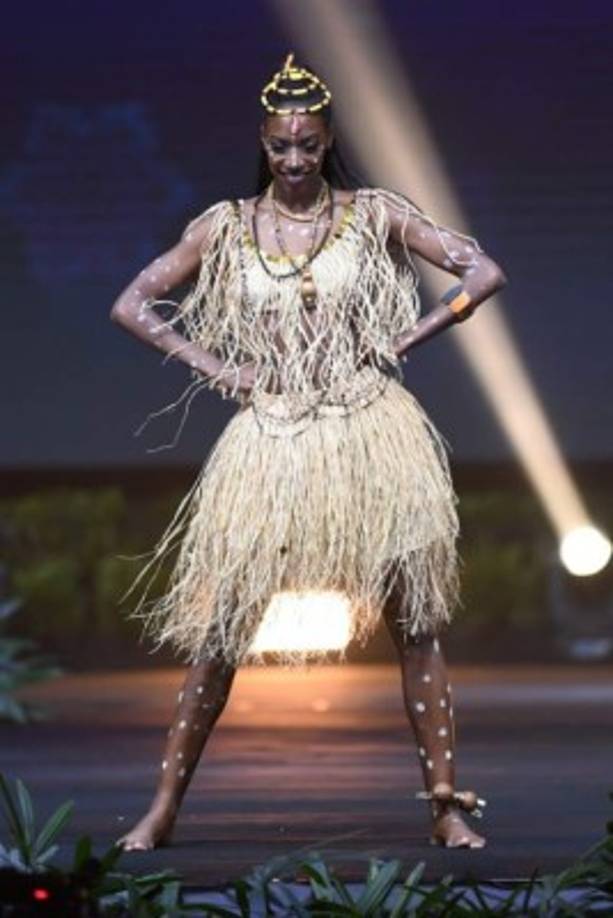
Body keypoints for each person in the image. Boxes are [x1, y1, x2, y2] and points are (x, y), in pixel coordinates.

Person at [110, 53, 506, 852]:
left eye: (309, 146)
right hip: (272, 434)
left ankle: (444, 806)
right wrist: (222, 369)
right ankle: (161, 809)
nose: (295, 160)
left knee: (414, 622)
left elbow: (481, 270)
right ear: (264, 142)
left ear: (327, 143)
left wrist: (409, 334)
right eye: (282, 146)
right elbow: (132, 304)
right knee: (223, 632)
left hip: (369, 428)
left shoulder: (373, 213)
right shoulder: (225, 226)